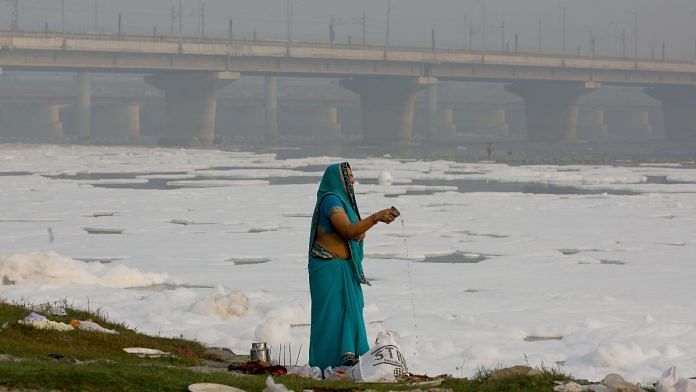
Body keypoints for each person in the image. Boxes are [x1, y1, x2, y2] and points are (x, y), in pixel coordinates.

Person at [308, 162, 399, 371]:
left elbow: (356, 233)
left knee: (351, 308)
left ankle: (347, 358)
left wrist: (365, 227)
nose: (352, 180)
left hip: (344, 268)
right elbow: (348, 230)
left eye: (352, 176)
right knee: (331, 316)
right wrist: (376, 217)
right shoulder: (331, 200)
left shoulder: (344, 202)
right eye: (347, 176)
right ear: (336, 179)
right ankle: (325, 364)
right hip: (328, 267)